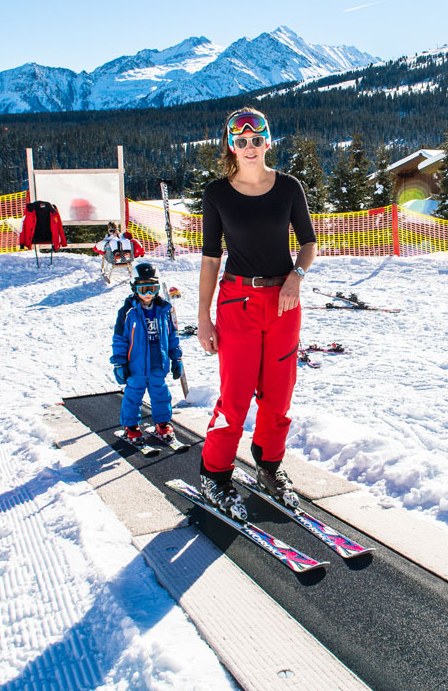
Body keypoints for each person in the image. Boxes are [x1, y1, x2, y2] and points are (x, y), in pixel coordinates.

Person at [196, 108, 317, 519]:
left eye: (257, 139)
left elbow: (308, 244)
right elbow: (211, 259)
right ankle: (215, 473)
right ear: (232, 145)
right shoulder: (217, 193)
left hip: (283, 302)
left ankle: (268, 465)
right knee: (236, 395)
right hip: (237, 303)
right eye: (241, 141)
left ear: (268, 141)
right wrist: (203, 317)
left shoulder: (288, 188)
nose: (250, 147)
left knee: (278, 395)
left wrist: (296, 278)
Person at [111, 263, 183, 445]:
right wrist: (119, 362)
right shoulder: (128, 312)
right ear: (134, 288)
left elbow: (172, 335)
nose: (148, 294)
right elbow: (120, 338)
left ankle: (162, 423)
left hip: (158, 362)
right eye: (143, 289)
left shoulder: (164, 311)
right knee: (133, 395)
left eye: (152, 288)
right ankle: (131, 426)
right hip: (136, 365)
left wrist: (176, 358)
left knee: (161, 394)